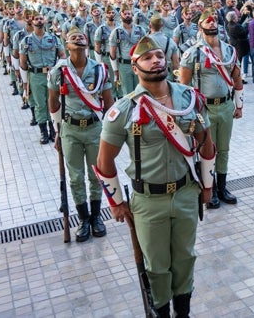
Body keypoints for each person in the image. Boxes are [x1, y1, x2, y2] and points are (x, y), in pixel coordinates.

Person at [96, 36, 215, 318]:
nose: (156, 61)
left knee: (186, 258)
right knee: (157, 267)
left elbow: (206, 143)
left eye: (160, 55)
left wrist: (207, 185)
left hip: (186, 193)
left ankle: (182, 313)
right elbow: (104, 161)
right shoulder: (123, 110)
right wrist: (116, 203)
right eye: (147, 58)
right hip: (148, 201)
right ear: (134, 67)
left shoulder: (189, 98)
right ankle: (162, 312)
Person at [48, 27, 114, 242]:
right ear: (66, 45)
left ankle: (96, 217)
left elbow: (109, 103)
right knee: (76, 177)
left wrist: (111, 131)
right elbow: (53, 102)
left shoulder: (100, 69)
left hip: (95, 128)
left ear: (86, 44)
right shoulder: (59, 71)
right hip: (70, 130)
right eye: (73, 37)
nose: (78, 38)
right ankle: (83, 219)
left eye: (81, 37)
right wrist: (58, 131)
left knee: (96, 174)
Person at [179, 9, 243, 209]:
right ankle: (210, 188)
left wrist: (239, 104)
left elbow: (237, 77)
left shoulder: (229, 50)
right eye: (207, 22)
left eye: (214, 21)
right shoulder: (193, 52)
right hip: (204, 109)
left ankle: (222, 187)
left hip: (225, 105)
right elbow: (184, 86)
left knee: (224, 149)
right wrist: (189, 114)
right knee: (208, 151)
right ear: (200, 28)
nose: (212, 24)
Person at [19, 13, 67, 144]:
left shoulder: (54, 39)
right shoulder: (26, 41)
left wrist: (55, 67)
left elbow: (63, 56)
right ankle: (43, 131)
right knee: (40, 104)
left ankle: (53, 130)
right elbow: (22, 62)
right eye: (36, 19)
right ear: (32, 22)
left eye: (41, 18)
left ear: (45, 21)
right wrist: (24, 81)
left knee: (53, 102)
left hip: (52, 75)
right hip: (36, 76)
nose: (39, 21)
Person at [108, 5, 146, 95]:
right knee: (128, 93)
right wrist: (115, 71)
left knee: (140, 91)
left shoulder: (140, 30)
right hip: (124, 65)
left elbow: (145, 48)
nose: (127, 15)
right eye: (125, 14)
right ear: (121, 15)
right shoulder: (116, 32)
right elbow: (112, 53)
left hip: (138, 64)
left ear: (132, 15)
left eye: (129, 13)